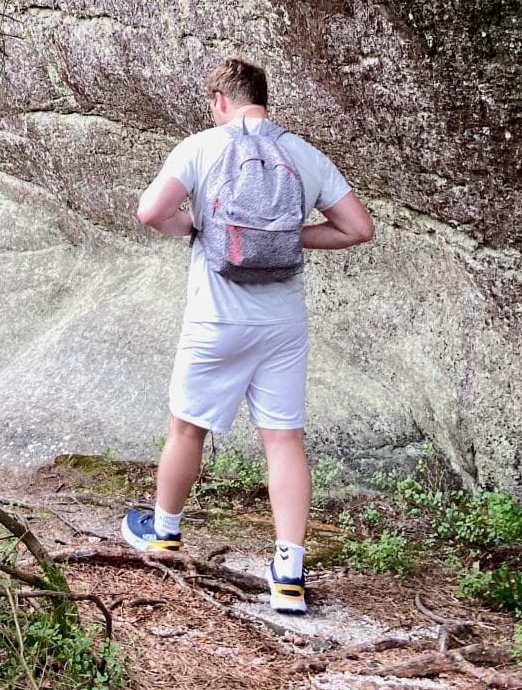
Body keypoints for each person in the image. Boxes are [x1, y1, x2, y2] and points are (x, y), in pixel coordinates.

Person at [121, 57, 374, 614]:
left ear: (219, 101)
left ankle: (163, 534)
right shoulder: (303, 154)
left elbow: (148, 212)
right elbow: (359, 228)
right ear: (264, 99)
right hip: (282, 324)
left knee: (187, 429)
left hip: (216, 317)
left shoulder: (200, 147)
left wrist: (195, 228)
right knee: (283, 440)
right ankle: (289, 572)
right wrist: (287, 240)